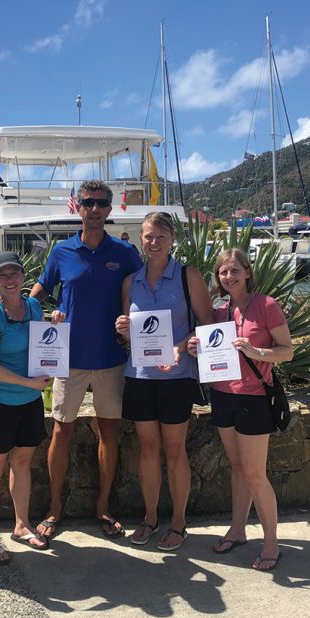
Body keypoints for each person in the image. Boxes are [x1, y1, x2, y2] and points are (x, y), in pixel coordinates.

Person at [30, 180, 143, 539]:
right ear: (77, 207)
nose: (94, 209)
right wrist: (31, 318)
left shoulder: (125, 253)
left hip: (111, 359)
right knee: (61, 432)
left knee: (109, 433)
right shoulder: (61, 251)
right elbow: (40, 291)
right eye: (88, 203)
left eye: (101, 203)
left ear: (110, 209)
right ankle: (54, 508)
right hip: (69, 360)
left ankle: (104, 507)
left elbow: (145, 292)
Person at [188, 248, 293, 571]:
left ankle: (271, 543)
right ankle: (238, 530)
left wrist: (255, 350)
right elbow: (213, 355)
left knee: (255, 474)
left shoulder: (266, 305)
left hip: (254, 399)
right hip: (223, 396)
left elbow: (286, 351)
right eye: (223, 272)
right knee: (236, 467)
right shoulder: (220, 312)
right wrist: (196, 348)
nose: (229, 277)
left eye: (235, 270)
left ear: (247, 272)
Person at [115, 212, 213, 549]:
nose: (152, 242)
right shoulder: (131, 282)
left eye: (159, 236)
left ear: (172, 239)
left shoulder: (189, 277)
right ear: (140, 240)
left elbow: (208, 325)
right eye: (147, 236)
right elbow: (130, 338)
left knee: (174, 450)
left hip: (177, 377)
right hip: (141, 376)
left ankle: (179, 523)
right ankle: (150, 518)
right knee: (147, 448)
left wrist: (180, 347)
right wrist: (124, 332)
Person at [0, 252, 55, 563]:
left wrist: (55, 323)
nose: (9, 280)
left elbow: (43, 343)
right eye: (2, 275)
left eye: (14, 274)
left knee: (22, 464)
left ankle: (21, 525)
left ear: (23, 276)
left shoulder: (34, 306)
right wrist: (29, 383)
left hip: (28, 403)